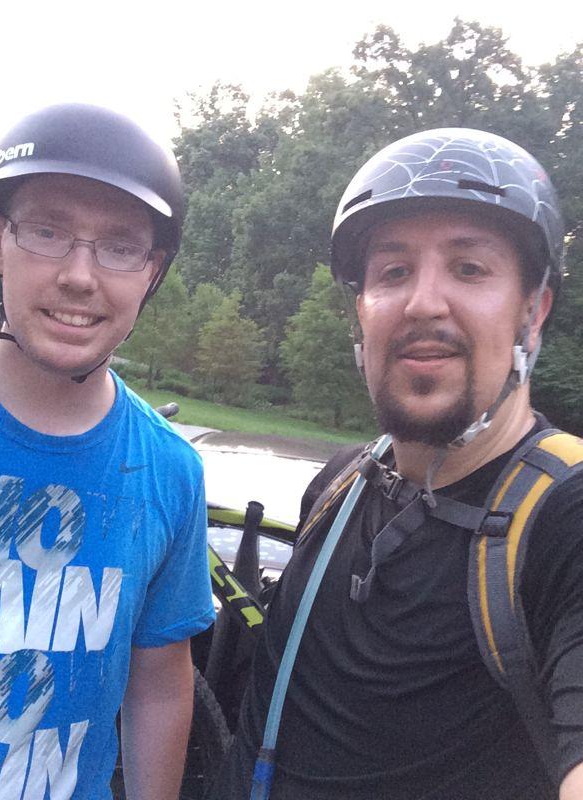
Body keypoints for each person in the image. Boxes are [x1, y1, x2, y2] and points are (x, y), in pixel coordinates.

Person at [208, 128, 583, 800]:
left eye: (469, 268)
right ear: (361, 315)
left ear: (533, 313)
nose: (423, 302)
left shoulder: (566, 518)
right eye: (393, 272)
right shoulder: (340, 485)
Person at [0, 103, 215, 800]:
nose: (80, 276)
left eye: (119, 246)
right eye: (47, 231)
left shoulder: (169, 471)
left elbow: (159, 686)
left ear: (152, 271)